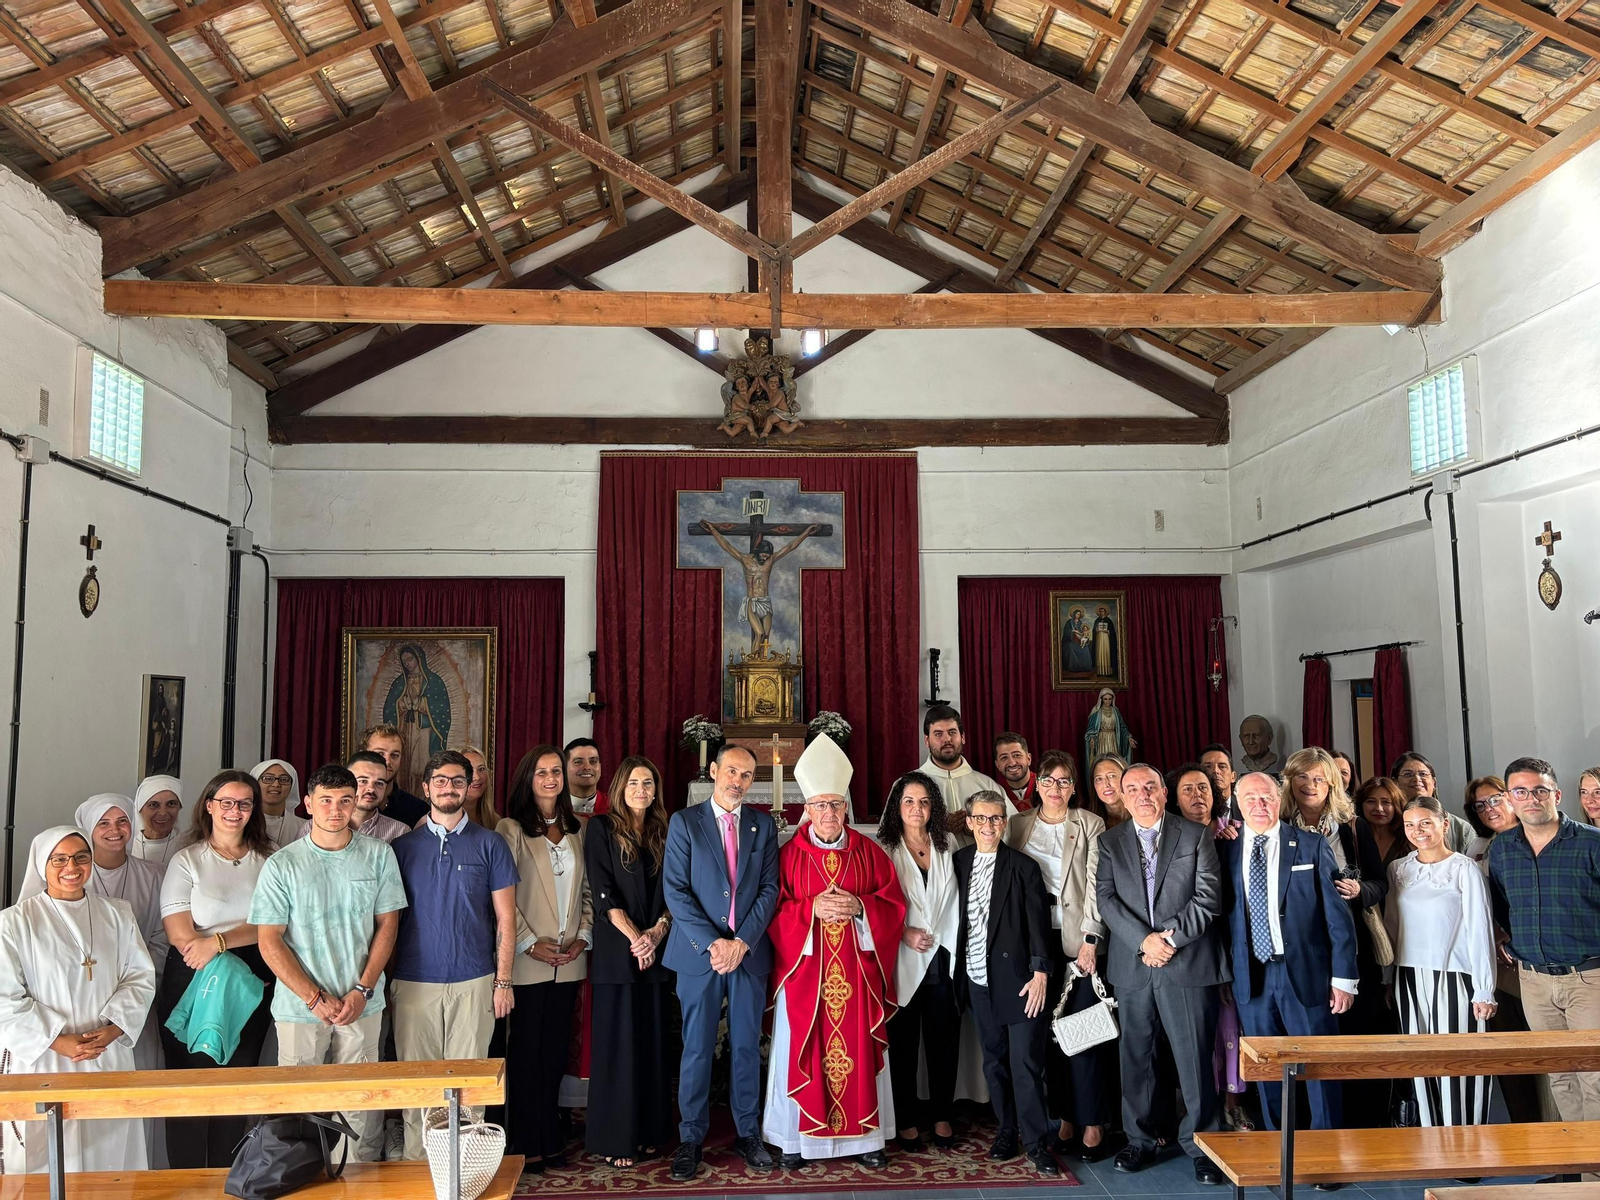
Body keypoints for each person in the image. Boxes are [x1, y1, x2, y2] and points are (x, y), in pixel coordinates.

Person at [252, 763, 407, 1163]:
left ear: (355, 802)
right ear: (307, 804)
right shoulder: (282, 864)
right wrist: (313, 997)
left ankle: (360, 1183)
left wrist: (363, 989)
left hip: (362, 1002)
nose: (335, 810)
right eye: (325, 800)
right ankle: (297, 1179)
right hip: (300, 1008)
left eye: (344, 800)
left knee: (361, 1102)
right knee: (299, 1103)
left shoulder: (378, 855)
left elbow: (387, 926)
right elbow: (269, 942)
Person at [764, 734, 905, 1170]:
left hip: (857, 977)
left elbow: (894, 905)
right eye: (820, 805)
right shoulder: (787, 856)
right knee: (802, 1051)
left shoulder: (869, 853)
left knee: (858, 1051)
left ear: (846, 807)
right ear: (805, 809)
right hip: (806, 977)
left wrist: (862, 907)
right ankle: (795, 1141)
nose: (828, 813)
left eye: (835, 805)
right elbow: (771, 911)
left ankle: (866, 1140)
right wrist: (810, 910)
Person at [1095, 764, 1228, 1185]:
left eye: (1150, 786)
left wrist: (1167, 941)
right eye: (1131, 788)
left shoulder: (1195, 834)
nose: (1142, 794)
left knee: (1194, 1060)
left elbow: (1209, 898)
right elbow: (1107, 900)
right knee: (1136, 1059)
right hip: (1134, 965)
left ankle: (1204, 1146)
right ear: (1121, 795)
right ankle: (1139, 1139)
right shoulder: (1110, 841)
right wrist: (1144, 941)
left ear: (1163, 792)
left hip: (1186, 962)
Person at [0, 827, 155, 1173]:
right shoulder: (14, 922)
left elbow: (140, 977)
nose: (72, 866)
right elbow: (4, 998)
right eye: (60, 859)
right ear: (43, 864)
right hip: (45, 1059)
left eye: (81, 857)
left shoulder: (118, 913)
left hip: (107, 1053)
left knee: (111, 1152)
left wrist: (115, 1028)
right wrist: (58, 1041)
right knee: (50, 1159)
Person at [389, 749, 519, 1160]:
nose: (449, 788)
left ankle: (466, 1176)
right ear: (425, 787)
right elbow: (387, 924)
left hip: (475, 981)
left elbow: (506, 921)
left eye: (457, 781)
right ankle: (418, 1174)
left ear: (469, 787)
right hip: (413, 983)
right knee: (418, 1089)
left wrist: (502, 982)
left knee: (468, 1088)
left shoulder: (490, 843)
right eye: (441, 781)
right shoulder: (402, 847)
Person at [663, 743, 780, 1182]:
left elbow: (770, 888)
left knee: (747, 1047)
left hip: (747, 956)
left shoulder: (762, 825)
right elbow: (676, 891)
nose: (738, 782)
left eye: (747, 775)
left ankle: (748, 1133)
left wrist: (742, 941)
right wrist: (714, 943)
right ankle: (690, 1137)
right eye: (731, 771)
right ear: (714, 771)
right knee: (696, 1048)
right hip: (700, 955)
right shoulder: (685, 822)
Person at [1224, 772, 1358, 1133]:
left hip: (1306, 974)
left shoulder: (1311, 845)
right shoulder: (1226, 850)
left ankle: (1326, 1151)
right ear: (1238, 803)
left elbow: (1338, 919)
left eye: (1266, 797)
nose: (1259, 805)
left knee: (1318, 1066)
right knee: (1267, 1069)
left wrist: (1344, 979)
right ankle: (1279, 1147)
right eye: (1250, 798)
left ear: (1280, 798)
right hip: (1252, 976)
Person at [158, 770, 277, 1167]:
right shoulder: (187, 859)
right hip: (194, 976)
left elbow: (275, 922)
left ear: (253, 809)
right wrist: (209, 946)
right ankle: (186, 1182)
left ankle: (230, 1178)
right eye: (226, 801)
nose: (234, 810)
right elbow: (178, 930)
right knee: (190, 1083)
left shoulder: (270, 859)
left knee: (235, 1083)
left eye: (244, 803)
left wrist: (220, 941)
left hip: (251, 978)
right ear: (209, 805)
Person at [1007, 751, 1117, 1160]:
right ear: (1037, 784)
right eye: (1049, 781)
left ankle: (1092, 1122)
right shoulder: (1017, 824)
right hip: (1034, 944)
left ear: (1074, 787)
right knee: (1048, 1036)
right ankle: (1065, 1118)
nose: (1056, 789)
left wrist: (1091, 939)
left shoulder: (1089, 824)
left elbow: (1096, 885)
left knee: (1083, 1033)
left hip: (1076, 942)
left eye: (1064, 781)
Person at [1280, 746, 1391, 1127]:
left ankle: (1358, 1125)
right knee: (1309, 1046)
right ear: (1289, 781)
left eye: (1318, 778)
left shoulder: (1353, 827)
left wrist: (1362, 892)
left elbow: (1381, 883)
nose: (1310, 785)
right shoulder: (1276, 825)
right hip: (1298, 953)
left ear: (1332, 783)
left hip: (1352, 949)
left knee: (1354, 1039)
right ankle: (1311, 1126)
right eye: (1302, 777)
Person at [494, 745, 592, 1171]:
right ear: (526, 779)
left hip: (569, 957)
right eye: (542, 772)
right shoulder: (510, 828)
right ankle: (525, 1140)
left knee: (554, 1052)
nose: (551, 778)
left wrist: (583, 938)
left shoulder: (578, 828)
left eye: (556, 771)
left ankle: (551, 1137)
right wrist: (529, 942)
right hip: (527, 957)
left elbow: (588, 892)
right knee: (526, 1052)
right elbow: (502, 898)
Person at [1489, 757, 1600, 1124]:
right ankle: (1576, 1174)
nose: (1531, 798)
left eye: (1539, 790)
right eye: (1520, 791)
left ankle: (1592, 1178)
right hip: (1534, 981)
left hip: (1589, 978)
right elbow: (1503, 905)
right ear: (1510, 798)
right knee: (1560, 1076)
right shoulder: (1503, 849)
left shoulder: (1592, 844)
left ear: (1557, 794)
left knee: (1595, 1079)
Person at [955, 791, 1057, 1177]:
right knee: (994, 1063)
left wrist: (1041, 973)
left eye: (996, 818)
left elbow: (1037, 925)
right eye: (980, 818)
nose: (988, 826)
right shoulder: (960, 861)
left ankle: (1036, 1141)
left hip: (1019, 982)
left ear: (1005, 822)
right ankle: (1006, 1130)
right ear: (969, 821)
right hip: (978, 980)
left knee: (1027, 1063)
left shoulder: (1022, 867)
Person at [584, 756, 675, 1169]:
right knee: (616, 1048)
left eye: (649, 783)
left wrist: (656, 933)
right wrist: (637, 938)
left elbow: (675, 891)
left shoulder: (664, 829)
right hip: (616, 952)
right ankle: (616, 1139)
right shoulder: (602, 828)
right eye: (635, 782)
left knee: (652, 1044)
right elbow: (602, 892)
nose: (642, 789)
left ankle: (652, 1131)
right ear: (621, 786)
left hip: (656, 950)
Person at [1385, 795, 1497, 1126]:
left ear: (1444, 824)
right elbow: (1391, 929)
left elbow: (1480, 929)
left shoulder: (1464, 869)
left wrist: (1484, 989)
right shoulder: (1398, 870)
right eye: (1409, 825)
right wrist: (1387, 979)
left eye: (1425, 823)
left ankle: (1468, 1146)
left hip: (1455, 977)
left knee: (1459, 1063)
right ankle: (1434, 1144)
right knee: (1421, 1063)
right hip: (1408, 977)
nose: (1417, 831)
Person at [878, 771, 961, 1152]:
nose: (917, 808)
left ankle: (943, 1114)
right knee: (904, 1043)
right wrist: (903, 932)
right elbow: (875, 908)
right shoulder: (884, 850)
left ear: (934, 807)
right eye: (909, 801)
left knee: (945, 1041)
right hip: (903, 959)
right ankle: (907, 1118)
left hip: (943, 958)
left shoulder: (949, 844)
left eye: (924, 801)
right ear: (897, 807)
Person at [1167, 765, 1251, 1134]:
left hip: (1228, 944)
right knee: (1191, 1036)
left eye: (1203, 787)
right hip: (1184, 948)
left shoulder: (1233, 836)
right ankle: (1195, 1110)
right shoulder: (1168, 839)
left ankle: (1234, 1105)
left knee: (1230, 1028)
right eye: (1188, 789)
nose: (1198, 795)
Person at [69, 795, 169, 1085]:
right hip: (81, 1001)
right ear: (89, 828)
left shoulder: (156, 876)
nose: (115, 829)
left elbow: (162, 939)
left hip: (137, 995)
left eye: (122, 820)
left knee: (139, 1079)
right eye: (104, 823)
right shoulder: (73, 877)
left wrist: (130, 989)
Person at [919, 704, 1010, 815]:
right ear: (927, 740)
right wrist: (943, 829)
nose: (947, 739)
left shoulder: (988, 785)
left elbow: (1011, 828)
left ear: (962, 737)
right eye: (938, 734)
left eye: (952, 732)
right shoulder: (907, 786)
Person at [1391, 752, 1474, 852]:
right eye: (1408, 774)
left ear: (1434, 783)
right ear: (1395, 783)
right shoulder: (1388, 825)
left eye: (1423, 774)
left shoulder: (1461, 828)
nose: (1417, 779)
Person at [363, 722, 429, 827]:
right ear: (363, 755)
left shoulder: (419, 810)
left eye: (395, 755)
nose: (388, 761)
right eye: (380, 754)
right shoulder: (346, 803)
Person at [339, 750, 412, 842]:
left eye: (379, 783)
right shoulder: (321, 826)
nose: (371, 789)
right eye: (363, 781)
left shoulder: (400, 832)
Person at [1354, 777, 1409, 869]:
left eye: (1386, 802)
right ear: (1361, 805)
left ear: (1396, 806)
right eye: (1371, 801)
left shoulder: (1407, 838)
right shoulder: (1353, 839)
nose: (1379, 808)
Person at [131, 774, 184, 868]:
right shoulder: (127, 847)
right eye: (153, 805)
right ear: (140, 809)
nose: (163, 813)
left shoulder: (187, 846)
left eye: (171, 804)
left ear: (179, 807)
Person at [252, 759, 306, 846]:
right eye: (268, 778)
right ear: (255, 783)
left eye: (284, 779)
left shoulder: (304, 827)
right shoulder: (244, 823)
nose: (276, 784)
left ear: (292, 786)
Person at [1083, 689, 1134, 768]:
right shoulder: (1096, 711)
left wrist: (1128, 737)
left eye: (1110, 699)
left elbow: (1122, 727)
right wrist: (1092, 738)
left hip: (1113, 740)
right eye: (1105, 699)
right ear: (1101, 699)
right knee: (1101, 762)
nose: (1108, 701)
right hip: (1101, 740)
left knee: (1114, 763)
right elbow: (1091, 728)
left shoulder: (1116, 711)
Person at [994, 733, 1037, 810]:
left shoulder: (1047, 785)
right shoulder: (995, 791)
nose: (1012, 763)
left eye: (1017, 755)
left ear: (1028, 759)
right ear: (998, 765)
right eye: (1004, 758)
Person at [566, 738, 607, 816]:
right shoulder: (551, 808)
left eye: (593, 761)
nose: (587, 767)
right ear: (564, 768)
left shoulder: (616, 808)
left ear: (600, 768)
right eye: (578, 762)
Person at [1200, 744, 1238, 822]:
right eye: (1208, 767)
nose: (1215, 771)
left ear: (1233, 776)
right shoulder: (1188, 811)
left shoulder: (1246, 807)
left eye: (1222, 766)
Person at [1090, 754, 1130, 828]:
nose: (1106, 784)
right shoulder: (1089, 823)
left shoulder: (1143, 814)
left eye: (1112, 776)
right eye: (1099, 779)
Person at [462, 745, 498, 827]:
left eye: (481, 769)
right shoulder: (443, 822)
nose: (477, 777)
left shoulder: (496, 821)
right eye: (469, 771)